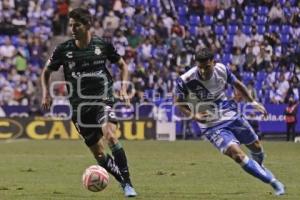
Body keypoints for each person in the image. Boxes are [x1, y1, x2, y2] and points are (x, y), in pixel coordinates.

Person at [41, 8, 137, 197]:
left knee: (110, 135)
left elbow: (122, 65)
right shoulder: (64, 50)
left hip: (103, 100)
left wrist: (123, 88)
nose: (73, 29)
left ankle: (128, 182)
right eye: (71, 25)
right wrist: (46, 94)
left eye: (76, 25)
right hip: (79, 108)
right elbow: (46, 72)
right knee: (99, 154)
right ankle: (121, 180)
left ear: (87, 26)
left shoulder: (102, 45)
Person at [174, 48, 285, 196]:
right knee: (237, 155)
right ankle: (273, 182)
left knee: (256, 146)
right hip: (211, 124)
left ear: (213, 62)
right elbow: (178, 102)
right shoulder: (185, 80)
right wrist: (194, 115)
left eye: (207, 67)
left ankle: (259, 168)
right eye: (200, 67)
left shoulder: (221, 69)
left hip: (229, 113)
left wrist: (252, 102)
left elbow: (237, 84)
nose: (203, 71)